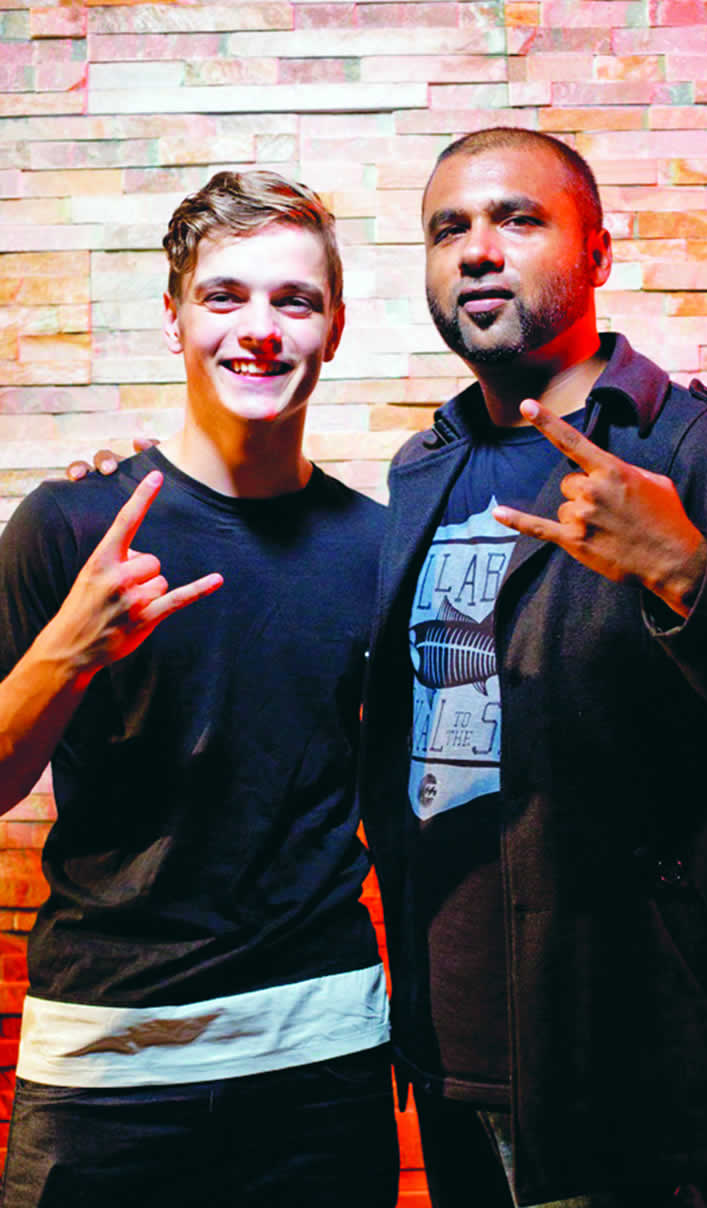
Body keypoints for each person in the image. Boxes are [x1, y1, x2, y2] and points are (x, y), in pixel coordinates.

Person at [357, 128, 707, 1207]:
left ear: (598, 251)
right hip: (450, 1055)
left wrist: (686, 572)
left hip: (635, 1062)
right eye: (447, 229)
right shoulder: (421, 467)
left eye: (517, 219)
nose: (476, 249)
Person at [0, 170, 398, 1208]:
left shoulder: (376, 548)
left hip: (321, 1056)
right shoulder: (70, 526)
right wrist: (68, 649)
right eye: (224, 296)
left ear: (335, 328)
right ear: (174, 317)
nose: (259, 329)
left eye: (294, 300)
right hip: (104, 1063)